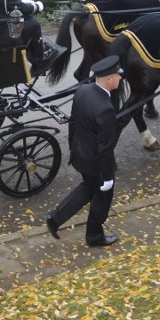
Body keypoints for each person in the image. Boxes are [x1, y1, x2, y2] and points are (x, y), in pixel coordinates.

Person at [45, 55, 122, 247]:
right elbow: (105, 148)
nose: (121, 78)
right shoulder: (106, 109)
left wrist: (74, 149)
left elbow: (73, 123)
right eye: (118, 76)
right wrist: (107, 177)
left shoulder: (83, 90)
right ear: (110, 79)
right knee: (102, 197)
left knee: (88, 188)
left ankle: (55, 219)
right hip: (96, 163)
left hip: (81, 155)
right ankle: (94, 236)